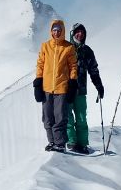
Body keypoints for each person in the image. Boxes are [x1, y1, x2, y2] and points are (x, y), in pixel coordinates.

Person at [34, 18, 78, 152]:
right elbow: (40, 64)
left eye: (59, 30)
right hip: (47, 88)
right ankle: (52, 142)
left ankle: (59, 144)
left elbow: (73, 66)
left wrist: (72, 82)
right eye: (54, 30)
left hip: (61, 88)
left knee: (60, 117)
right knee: (47, 117)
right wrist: (38, 83)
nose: (56, 33)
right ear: (51, 31)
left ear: (62, 31)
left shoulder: (68, 47)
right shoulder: (45, 46)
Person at [66, 23, 103, 153]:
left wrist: (99, 85)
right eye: (77, 32)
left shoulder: (87, 51)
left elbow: (93, 70)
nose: (80, 34)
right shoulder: (65, 48)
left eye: (82, 32)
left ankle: (82, 144)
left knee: (81, 117)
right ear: (72, 33)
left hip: (80, 90)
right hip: (66, 90)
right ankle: (71, 142)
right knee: (67, 117)